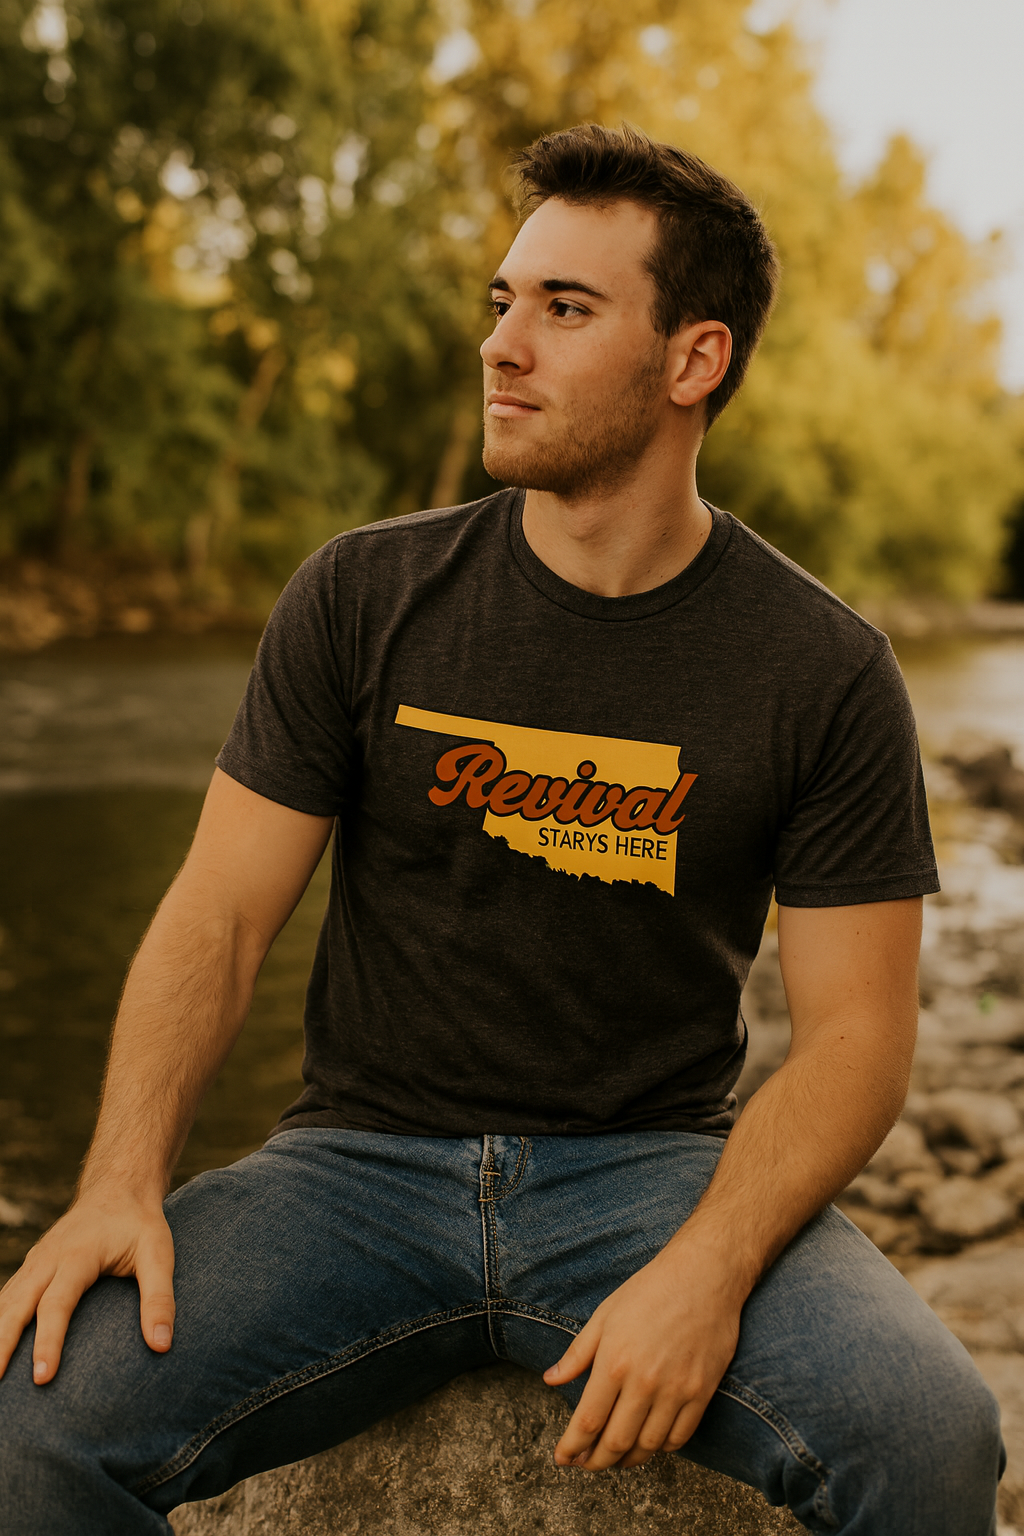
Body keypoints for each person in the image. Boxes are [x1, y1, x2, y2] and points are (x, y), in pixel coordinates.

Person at [0, 124, 1003, 1535]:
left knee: (931, 1433)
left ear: (693, 361)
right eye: (503, 302)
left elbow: (858, 1037)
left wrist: (708, 1270)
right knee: (26, 1429)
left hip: (649, 1173)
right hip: (353, 1170)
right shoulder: (361, 596)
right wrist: (118, 1183)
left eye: (566, 309)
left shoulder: (822, 669)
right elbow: (219, 919)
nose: (502, 344)